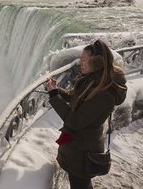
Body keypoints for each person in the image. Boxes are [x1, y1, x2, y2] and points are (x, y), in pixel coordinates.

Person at [45, 39, 127, 189]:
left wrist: (54, 97)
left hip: (82, 151)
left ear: (96, 63)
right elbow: (75, 96)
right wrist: (56, 91)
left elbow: (74, 121)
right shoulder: (93, 79)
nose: (79, 63)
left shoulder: (104, 94)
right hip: (77, 145)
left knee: (80, 185)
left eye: (83, 60)